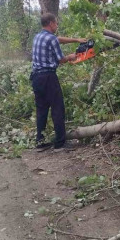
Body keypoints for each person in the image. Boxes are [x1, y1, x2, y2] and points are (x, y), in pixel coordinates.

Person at [30, 13, 87, 151]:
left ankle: (40, 141)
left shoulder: (38, 36)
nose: (57, 25)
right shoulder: (52, 39)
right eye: (56, 23)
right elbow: (61, 59)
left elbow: (57, 39)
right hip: (48, 77)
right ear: (50, 23)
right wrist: (71, 57)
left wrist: (76, 40)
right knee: (57, 108)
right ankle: (60, 143)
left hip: (36, 78)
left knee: (42, 110)